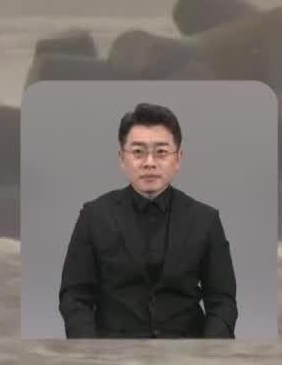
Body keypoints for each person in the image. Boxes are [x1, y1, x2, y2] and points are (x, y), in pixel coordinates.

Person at [57, 102, 239, 338]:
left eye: (161, 152)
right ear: (122, 158)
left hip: (187, 355)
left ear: (178, 159)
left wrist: (208, 355)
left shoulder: (205, 220)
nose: (149, 162)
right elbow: (74, 297)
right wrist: (91, 354)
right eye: (138, 152)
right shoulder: (94, 216)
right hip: (113, 355)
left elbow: (223, 301)